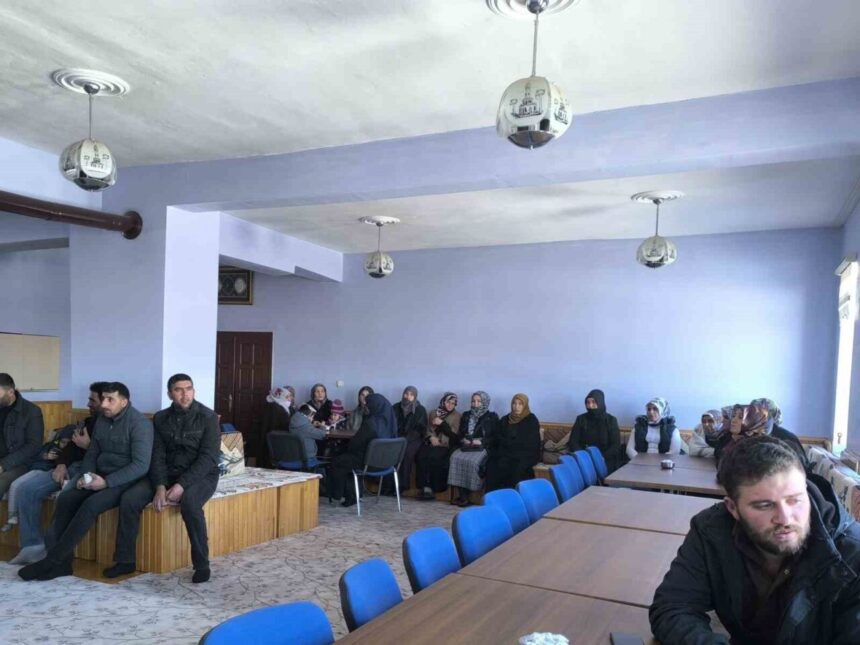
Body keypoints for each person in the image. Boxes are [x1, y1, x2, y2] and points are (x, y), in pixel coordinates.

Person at [650, 434, 860, 644]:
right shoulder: (711, 530)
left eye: (794, 500)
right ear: (733, 508)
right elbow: (672, 607)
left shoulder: (853, 554)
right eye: (765, 505)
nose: (785, 518)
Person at [19, 382, 153, 581]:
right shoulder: (102, 420)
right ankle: (63, 565)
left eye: (110, 400)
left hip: (126, 479)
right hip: (99, 475)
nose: (104, 404)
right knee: (67, 499)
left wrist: (106, 482)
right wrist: (86, 475)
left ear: (124, 402)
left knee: (91, 504)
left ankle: (52, 560)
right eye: (104, 399)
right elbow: (92, 453)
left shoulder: (140, 424)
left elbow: (141, 465)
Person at [106, 374, 220, 583]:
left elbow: (208, 458)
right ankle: (125, 560)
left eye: (189, 389)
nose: (185, 394)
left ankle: (202, 564)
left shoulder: (209, 417)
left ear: (194, 391)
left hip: (201, 475)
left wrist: (181, 485)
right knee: (130, 498)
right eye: (178, 390)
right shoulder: (160, 418)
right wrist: (160, 485)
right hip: (166, 474)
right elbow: (157, 454)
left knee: (190, 504)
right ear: (170, 394)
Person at [7, 382, 105, 565]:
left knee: (65, 498)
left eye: (93, 400)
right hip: (71, 467)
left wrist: (88, 446)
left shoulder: (114, 427)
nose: (88, 404)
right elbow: (70, 448)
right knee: (26, 489)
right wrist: (61, 465)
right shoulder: (89, 422)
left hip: (93, 472)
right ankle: (32, 547)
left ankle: (55, 553)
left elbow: (113, 458)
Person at [328, 393, 396, 507]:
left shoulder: (370, 423)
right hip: (387, 464)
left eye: (368, 404)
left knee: (338, 460)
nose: (366, 406)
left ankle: (337, 496)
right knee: (347, 460)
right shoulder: (390, 421)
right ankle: (353, 496)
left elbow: (355, 444)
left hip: (369, 464)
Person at [447, 391, 498, 507]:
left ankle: (469, 495)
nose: (475, 404)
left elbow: (494, 437)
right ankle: (462, 495)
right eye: (473, 401)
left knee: (473, 462)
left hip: (482, 447)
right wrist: (463, 439)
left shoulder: (491, 417)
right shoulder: (466, 415)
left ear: (485, 402)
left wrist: (481, 441)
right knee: (455, 458)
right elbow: (460, 433)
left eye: (479, 401)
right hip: (467, 446)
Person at [0, 373, 45, 501]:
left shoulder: (32, 411)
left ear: (10, 392)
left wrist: (3, 465)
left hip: (20, 463)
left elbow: (34, 446)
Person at [485, 394, 541, 491]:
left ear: (525, 405)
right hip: (505, 452)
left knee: (517, 469)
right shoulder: (505, 419)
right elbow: (497, 437)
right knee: (493, 465)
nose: (516, 406)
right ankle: (495, 497)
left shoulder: (531, 420)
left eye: (520, 404)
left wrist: (509, 444)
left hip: (524, 454)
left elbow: (531, 443)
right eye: (514, 403)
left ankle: (514, 497)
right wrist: (505, 445)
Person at [415, 392, 460, 500]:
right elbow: (428, 429)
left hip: (445, 445)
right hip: (431, 442)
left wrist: (442, 424)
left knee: (435, 457)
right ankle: (424, 487)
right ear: (443, 401)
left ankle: (434, 488)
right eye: (448, 402)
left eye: (453, 403)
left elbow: (454, 435)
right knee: (421, 455)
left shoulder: (457, 416)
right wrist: (431, 438)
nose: (450, 405)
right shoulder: (434, 413)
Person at [566, 389, 623, 474]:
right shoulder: (581, 419)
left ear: (600, 402)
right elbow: (573, 442)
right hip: (584, 459)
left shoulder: (611, 420)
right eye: (588, 403)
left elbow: (615, 445)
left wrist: (600, 458)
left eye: (594, 402)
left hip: (605, 459)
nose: (590, 406)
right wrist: (583, 457)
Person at [750, 397, 809, 471]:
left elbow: (801, 469)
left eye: (764, 417)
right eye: (754, 417)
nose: (760, 422)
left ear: (773, 417)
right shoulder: (748, 435)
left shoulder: (788, 439)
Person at [393, 386, 428, 492]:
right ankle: (388, 484)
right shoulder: (395, 407)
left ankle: (402, 485)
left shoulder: (420, 409)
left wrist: (405, 439)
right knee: (389, 450)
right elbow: (391, 424)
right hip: (396, 437)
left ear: (415, 397)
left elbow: (420, 429)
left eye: (411, 395)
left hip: (414, 438)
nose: (408, 397)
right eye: (406, 394)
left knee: (406, 452)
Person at [258, 385, 295, 466]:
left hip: (271, 441)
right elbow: (285, 425)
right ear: (281, 397)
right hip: (277, 443)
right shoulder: (277, 408)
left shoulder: (276, 406)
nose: (290, 399)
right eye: (287, 397)